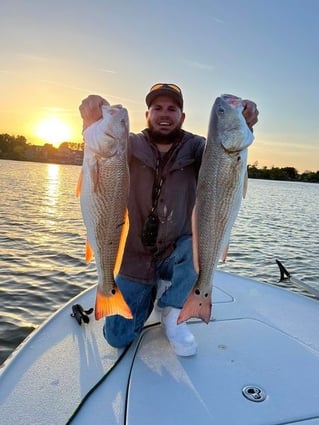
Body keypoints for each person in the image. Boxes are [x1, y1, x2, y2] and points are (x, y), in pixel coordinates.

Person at [79, 83, 259, 356]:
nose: (165, 114)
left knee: (193, 245)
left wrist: (245, 122)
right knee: (117, 337)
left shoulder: (199, 148)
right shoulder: (127, 144)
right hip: (136, 257)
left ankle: (172, 312)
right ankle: (151, 293)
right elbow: (102, 150)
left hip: (178, 252)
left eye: (172, 109)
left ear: (182, 117)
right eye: (158, 108)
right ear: (147, 115)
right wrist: (90, 118)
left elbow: (224, 158)